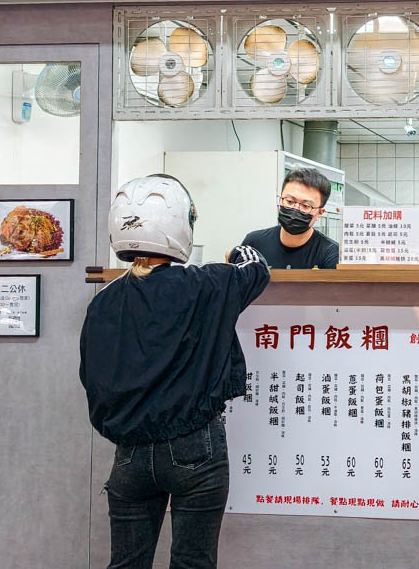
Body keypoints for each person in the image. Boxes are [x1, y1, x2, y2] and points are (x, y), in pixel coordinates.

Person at [79, 174, 270, 569]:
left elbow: (91, 379)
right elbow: (257, 268)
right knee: (193, 563)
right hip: (196, 450)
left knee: (126, 564)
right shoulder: (208, 284)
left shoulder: (103, 302)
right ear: (181, 224)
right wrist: (240, 250)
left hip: (129, 454)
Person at [240, 166, 339, 269]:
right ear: (280, 200)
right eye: (289, 201)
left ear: (320, 213)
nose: (295, 210)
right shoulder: (254, 243)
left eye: (306, 206)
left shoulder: (331, 253)